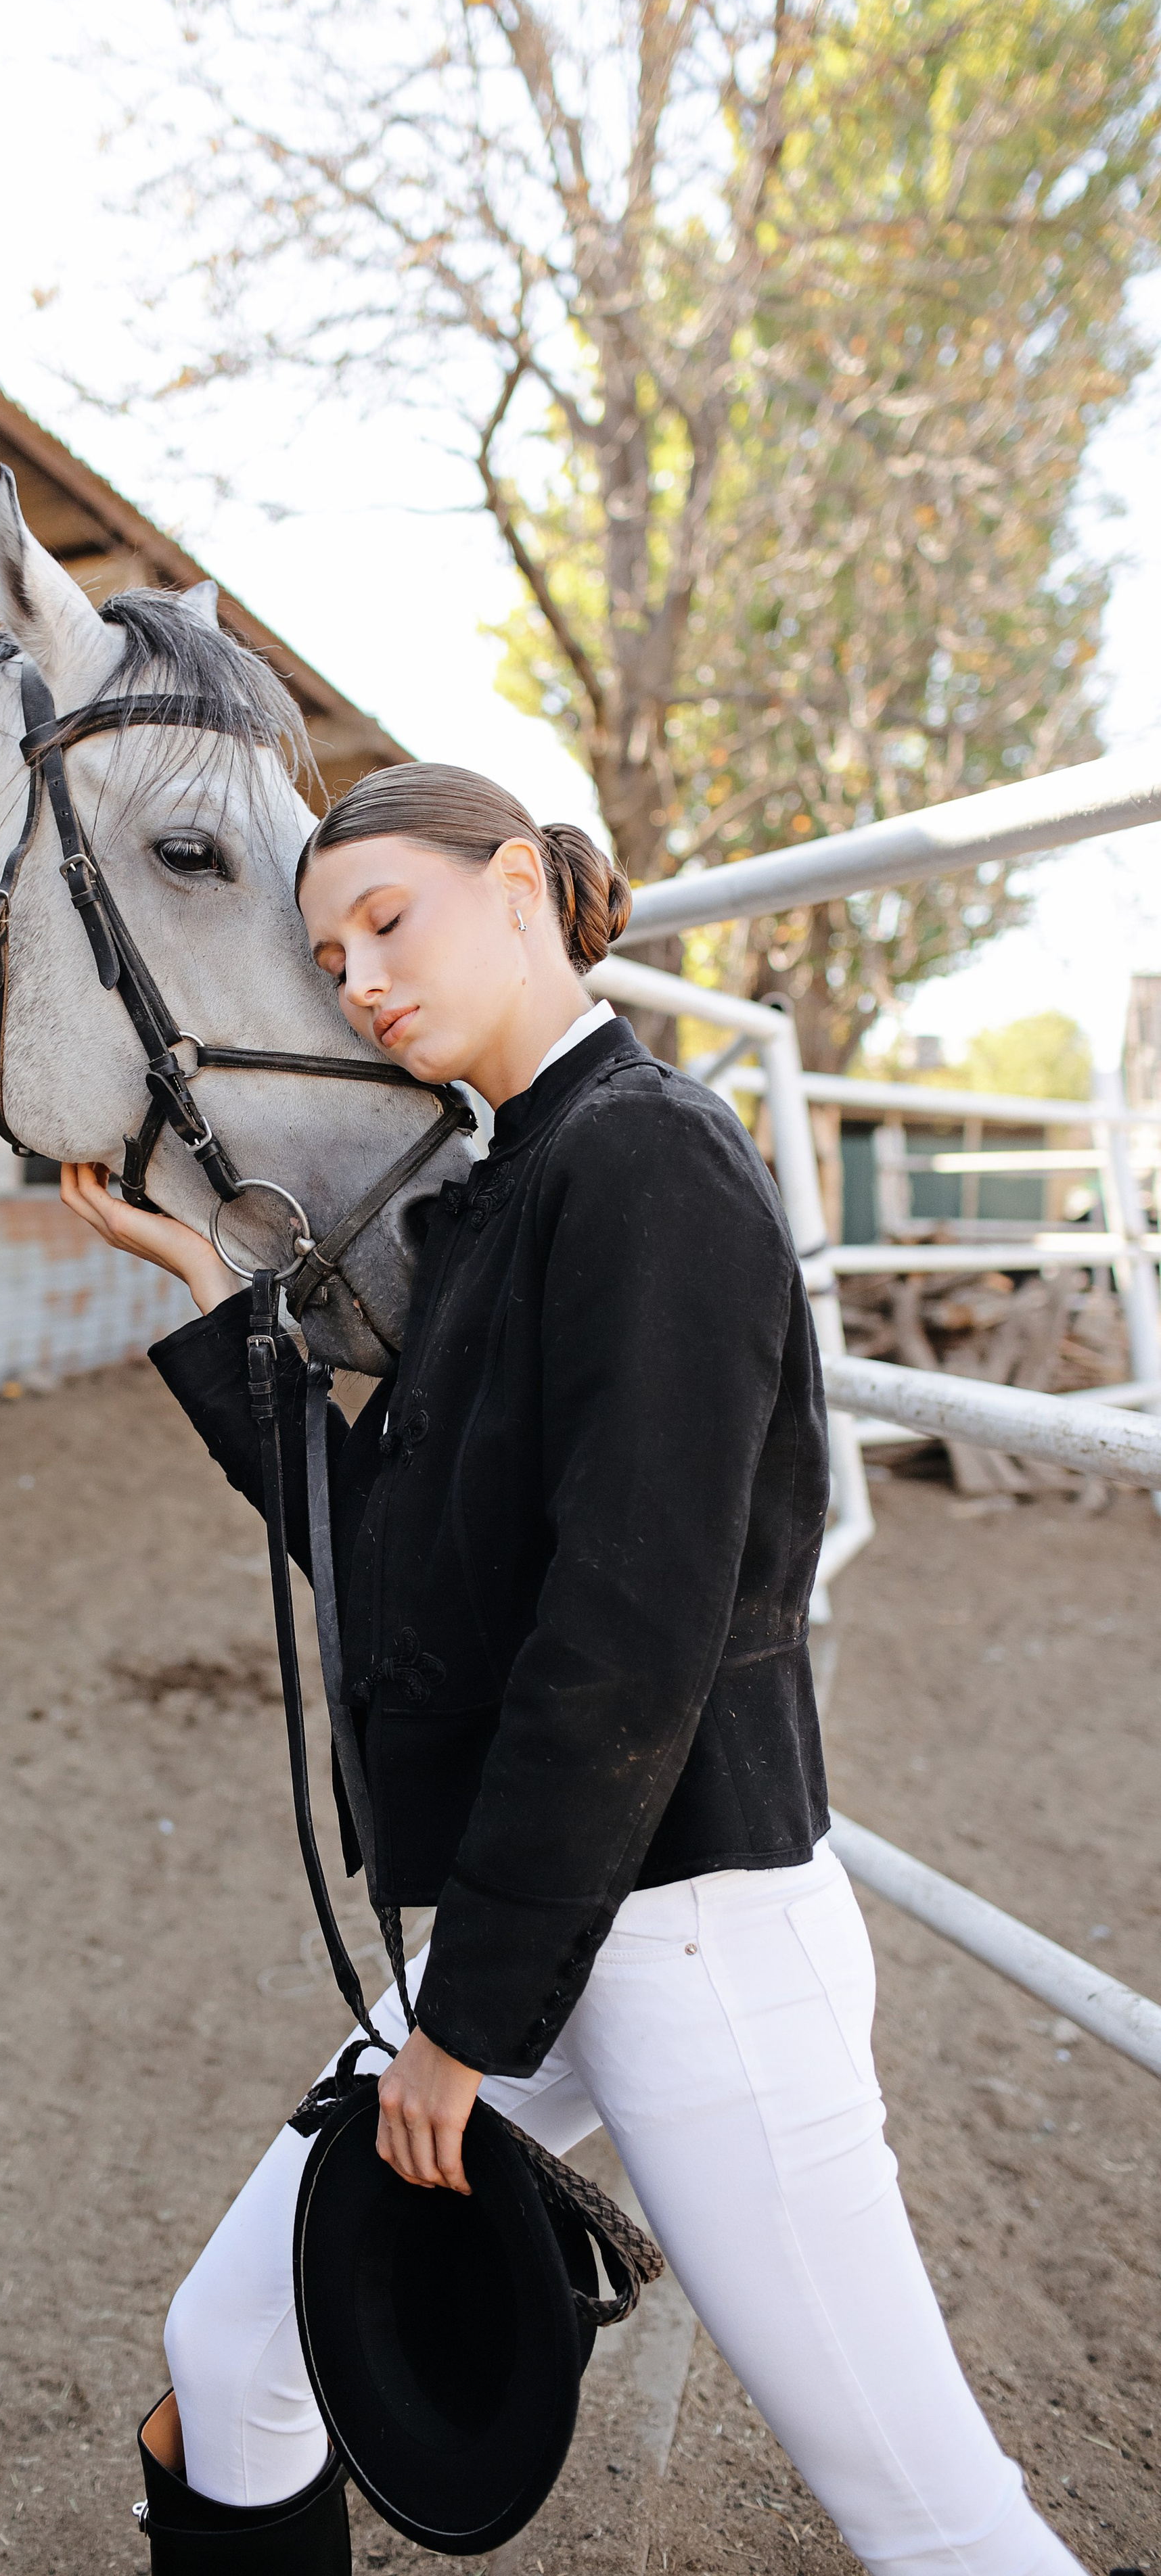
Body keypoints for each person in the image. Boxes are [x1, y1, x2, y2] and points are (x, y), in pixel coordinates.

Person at [63, 763, 1083, 2576]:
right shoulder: (508, 1181)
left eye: (390, 923)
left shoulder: (651, 1161)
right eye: (329, 960)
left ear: (521, 883)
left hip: (692, 1944)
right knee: (232, 2352)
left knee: (934, 2527)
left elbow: (624, 1643)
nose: (362, 982)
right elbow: (399, 1567)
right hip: (540, 1920)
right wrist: (217, 1303)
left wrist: (461, 2028)